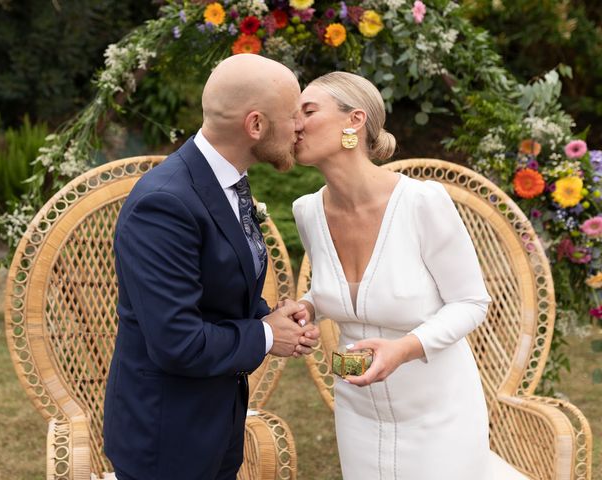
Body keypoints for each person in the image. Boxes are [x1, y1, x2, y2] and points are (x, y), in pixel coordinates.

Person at [103, 54, 318, 480]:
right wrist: (269, 334)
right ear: (254, 126)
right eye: (292, 115)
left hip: (215, 422)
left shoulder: (225, 179)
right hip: (167, 439)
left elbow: (215, 292)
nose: (300, 126)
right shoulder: (163, 204)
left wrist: (268, 316)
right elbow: (177, 341)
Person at [292, 71, 493, 479]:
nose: (295, 123)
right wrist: (306, 308)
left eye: (308, 111)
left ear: (355, 121)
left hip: (441, 413)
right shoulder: (307, 211)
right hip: (357, 413)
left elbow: (471, 302)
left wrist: (403, 349)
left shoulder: (422, 202)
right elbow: (341, 291)